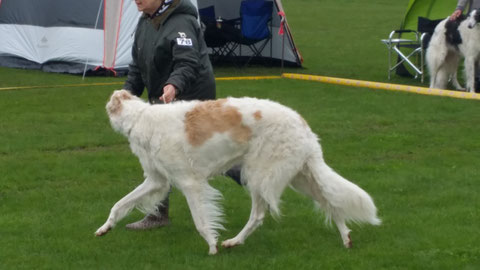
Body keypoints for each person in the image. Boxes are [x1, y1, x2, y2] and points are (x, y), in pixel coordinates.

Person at [122, 0, 240, 230]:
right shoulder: (145, 22)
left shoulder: (181, 21)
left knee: (205, 156)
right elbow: (138, 66)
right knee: (161, 154)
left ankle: (250, 172)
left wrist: (174, 85)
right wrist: (127, 95)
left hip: (192, 98)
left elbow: (187, 62)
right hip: (164, 99)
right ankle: (158, 214)